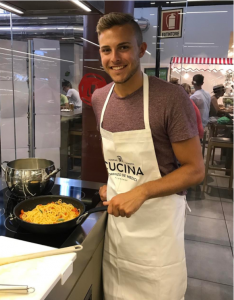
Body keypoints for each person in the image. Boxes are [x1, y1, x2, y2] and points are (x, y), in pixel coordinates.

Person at [91, 12, 204, 300]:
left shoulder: (170, 98)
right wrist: (113, 182)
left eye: (123, 47)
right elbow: (119, 158)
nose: (114, 58)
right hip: (117, 231)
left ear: (141, 49)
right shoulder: (100, 99)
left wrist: (140, 192)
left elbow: (194, 170)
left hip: (157, 234)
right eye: (106, 50)